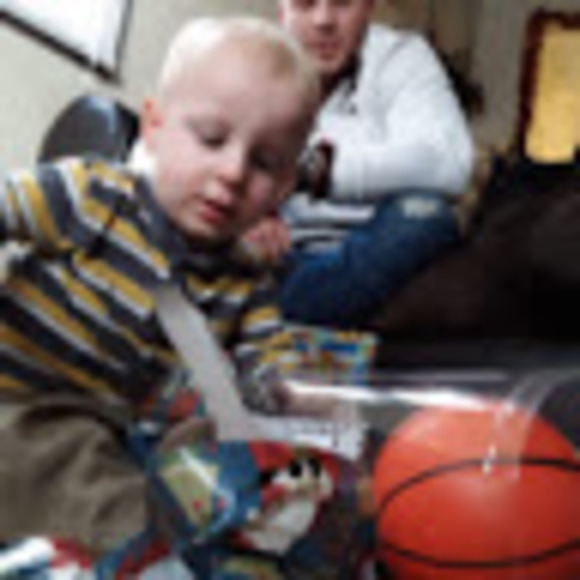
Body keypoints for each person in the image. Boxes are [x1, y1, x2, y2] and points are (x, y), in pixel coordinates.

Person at [0, 16, 321, 557]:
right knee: (105, 500)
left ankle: (189, 537)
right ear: (154, 126)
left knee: (207, 434)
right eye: (211, 139)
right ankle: (143, 549)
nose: (233, 171)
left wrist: (292, 404)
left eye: (264, 163)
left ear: (285, 187)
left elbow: (271, 363)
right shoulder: (92, 195)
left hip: (110, 435)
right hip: (16, 403)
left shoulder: (245, 283)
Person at [244, 0, 475, 329]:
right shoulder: (249, 62)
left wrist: (311, 172)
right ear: (283, 11)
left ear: (368, 7)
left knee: (427, 214)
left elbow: (449, 161)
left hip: (377, 246)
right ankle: (310, 310)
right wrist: (249, 215)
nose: (324, 20)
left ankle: (280, 314)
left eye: (342, 3)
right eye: (305, 3)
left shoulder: (402, 57)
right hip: (282, 252)